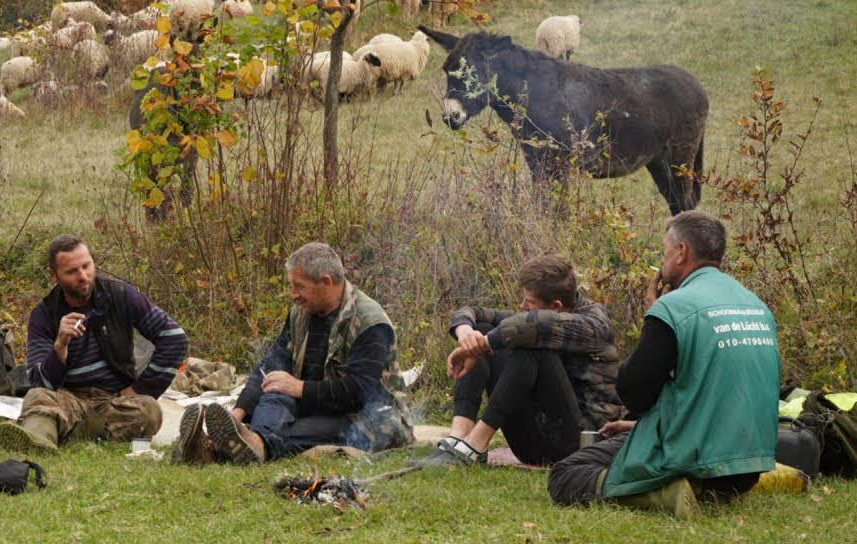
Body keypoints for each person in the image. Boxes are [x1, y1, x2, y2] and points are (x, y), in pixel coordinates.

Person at [548, 211, 780, 518]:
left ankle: (660, 492)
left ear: (682, 252)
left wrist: (653, 318)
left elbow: (633, 394)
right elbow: (717, 395)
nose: (663, 260)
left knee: (567, 473)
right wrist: (635, 426)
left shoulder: (675, 307)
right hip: (746, 469)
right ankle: (701, 490)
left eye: (664, 251)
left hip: (697, 460)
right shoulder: (756, 305)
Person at [172, 242, 414, 466]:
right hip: (313, 404)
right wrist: (238, 412)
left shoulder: (370, 322)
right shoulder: (300, 313)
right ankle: (249, 440)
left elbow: (358, 393)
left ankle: (219, 448)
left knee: (291, 428)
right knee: (274, 388)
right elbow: (270, 365)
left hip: (367, 418)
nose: (293, 294)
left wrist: (298, 388)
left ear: (326, 283)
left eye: (299, 286)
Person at [412, 253, 624, 468]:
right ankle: (459, 437)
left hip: (579, 445)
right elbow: (475, 313)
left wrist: (485, 343)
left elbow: (536, 325)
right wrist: (466, 333)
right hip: (533, 440)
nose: (522, 306)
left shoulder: (594, 323)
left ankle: (474, 446)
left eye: (529, 302)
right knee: (483, 329)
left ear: (556, 306)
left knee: (531, 347)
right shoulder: (538, 317)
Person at [0, 234, 188, 452]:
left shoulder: (120, 295)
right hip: (67, 399)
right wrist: (60, 346)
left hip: (112, 400)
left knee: (149, 410)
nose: (83, 276)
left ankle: (61, 431)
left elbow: (174, 337)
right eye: (72, 271)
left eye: (87, 266)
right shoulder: (43, 315)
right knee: (36, 397)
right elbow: (40, 382)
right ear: (53, 276)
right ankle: (39, 442)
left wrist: (139, 388)